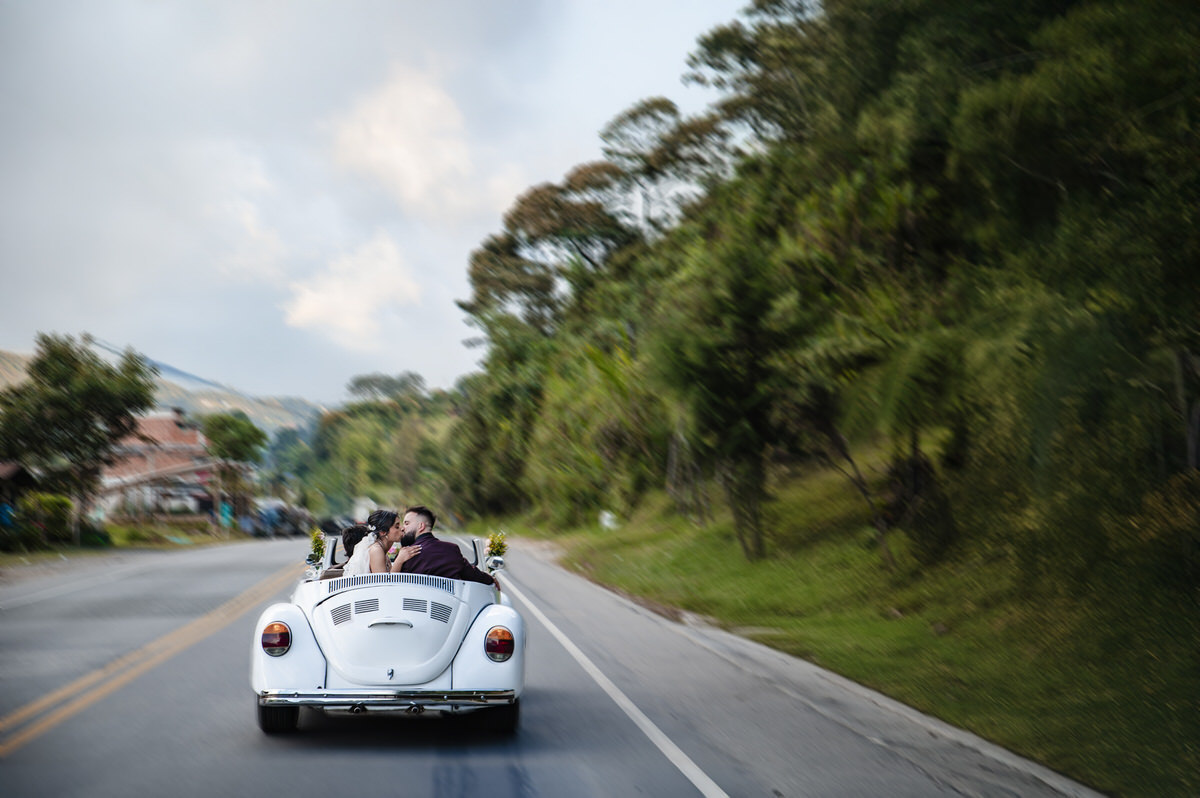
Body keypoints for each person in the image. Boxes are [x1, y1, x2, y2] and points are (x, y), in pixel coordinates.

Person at [398, 505, 497, 587]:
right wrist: (491, 580)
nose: (403, 528)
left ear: (421, 526)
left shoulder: (408, 554)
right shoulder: (452, 549)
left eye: (407, 523)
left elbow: (397, 584)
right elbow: (471, 574)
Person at [341, 509, 421, 576]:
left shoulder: (381, 549)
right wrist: (399, 560)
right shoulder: (376, 550)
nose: (402, 528)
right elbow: (384, 584)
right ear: (383, 532)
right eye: (397, 526)